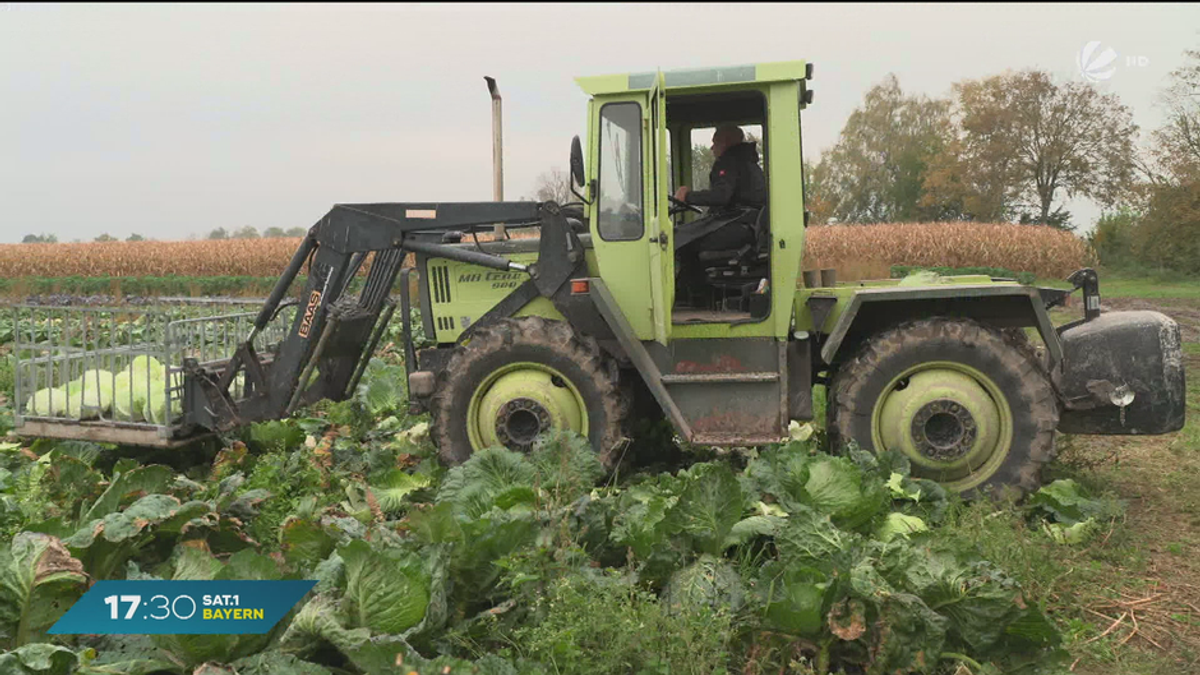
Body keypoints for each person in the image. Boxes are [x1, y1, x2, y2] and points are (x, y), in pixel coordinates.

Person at [672, 124, 767, 295]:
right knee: (689, 237)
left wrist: (687, 196)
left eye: (715, 143)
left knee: (681, 242)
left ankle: (690, 296)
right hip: (748, 225)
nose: (711, 148)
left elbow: (720, 196)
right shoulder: (748, 163)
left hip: (738, 225)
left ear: (726, 142)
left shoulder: (729, 161)